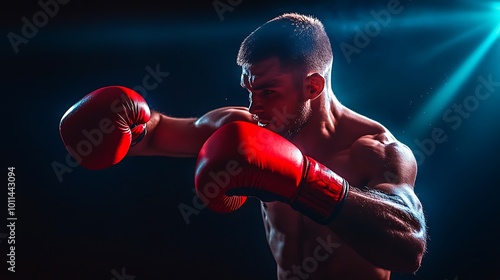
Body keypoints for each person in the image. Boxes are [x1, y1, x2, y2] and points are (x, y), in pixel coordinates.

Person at [59, 12, 427, 280]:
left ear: (312, 87)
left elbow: (410, 247)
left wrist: (305, 182)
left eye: (268, 91)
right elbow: (154, 132)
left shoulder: (375, 150)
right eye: (249, 90)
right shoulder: (250, 127)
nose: (254, 106)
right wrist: (112, 126)